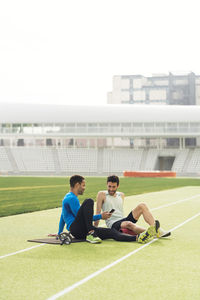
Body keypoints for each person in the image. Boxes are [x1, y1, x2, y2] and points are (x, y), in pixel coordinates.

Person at [58, 175, 159, 244]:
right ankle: (91, 234)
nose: (84, 188)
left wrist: (59, 233)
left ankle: (139, 237)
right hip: (77, 229)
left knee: (112, 233)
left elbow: (63, 217)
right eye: (83, 185)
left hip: (81, 230)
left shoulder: (67, 197)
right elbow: (81, 217)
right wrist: (101, 216)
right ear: (77, 185)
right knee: (88, 201)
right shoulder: (72, 198)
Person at [94, 175, 171, 239]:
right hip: (113, 224)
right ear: (106, 184)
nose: (111, 189)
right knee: (129, 224)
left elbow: (119, 211)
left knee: (142, 205)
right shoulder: (101, 194)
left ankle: (157, 230)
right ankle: (154, 232)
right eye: (109, 186)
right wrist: (95, 229)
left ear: (118, 186)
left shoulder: (121, 195)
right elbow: (98, 212)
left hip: (123, 220)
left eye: (113, 187)